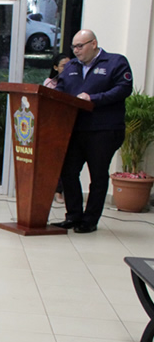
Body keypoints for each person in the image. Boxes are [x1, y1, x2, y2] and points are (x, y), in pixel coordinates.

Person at [53, 29, 133, 234]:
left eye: (80, 46)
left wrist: (93, 99)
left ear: (94, 43)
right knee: (69, 172)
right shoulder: (70, 66)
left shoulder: (115, 62)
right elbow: (60, 91)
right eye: (74, 47)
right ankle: (73, 216)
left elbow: (123, 89)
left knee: (97, 174)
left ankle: (90, 220)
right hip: (75, 128)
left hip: (103, 129)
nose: (76, 51)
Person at [44, 52, 72, 204]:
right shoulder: (50, 83)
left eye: (70, 66)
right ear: (55, 68)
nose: (67, 69)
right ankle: (55, 191)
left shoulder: (75, 82)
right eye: (63, 66)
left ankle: (63, 191)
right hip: (53, 126)